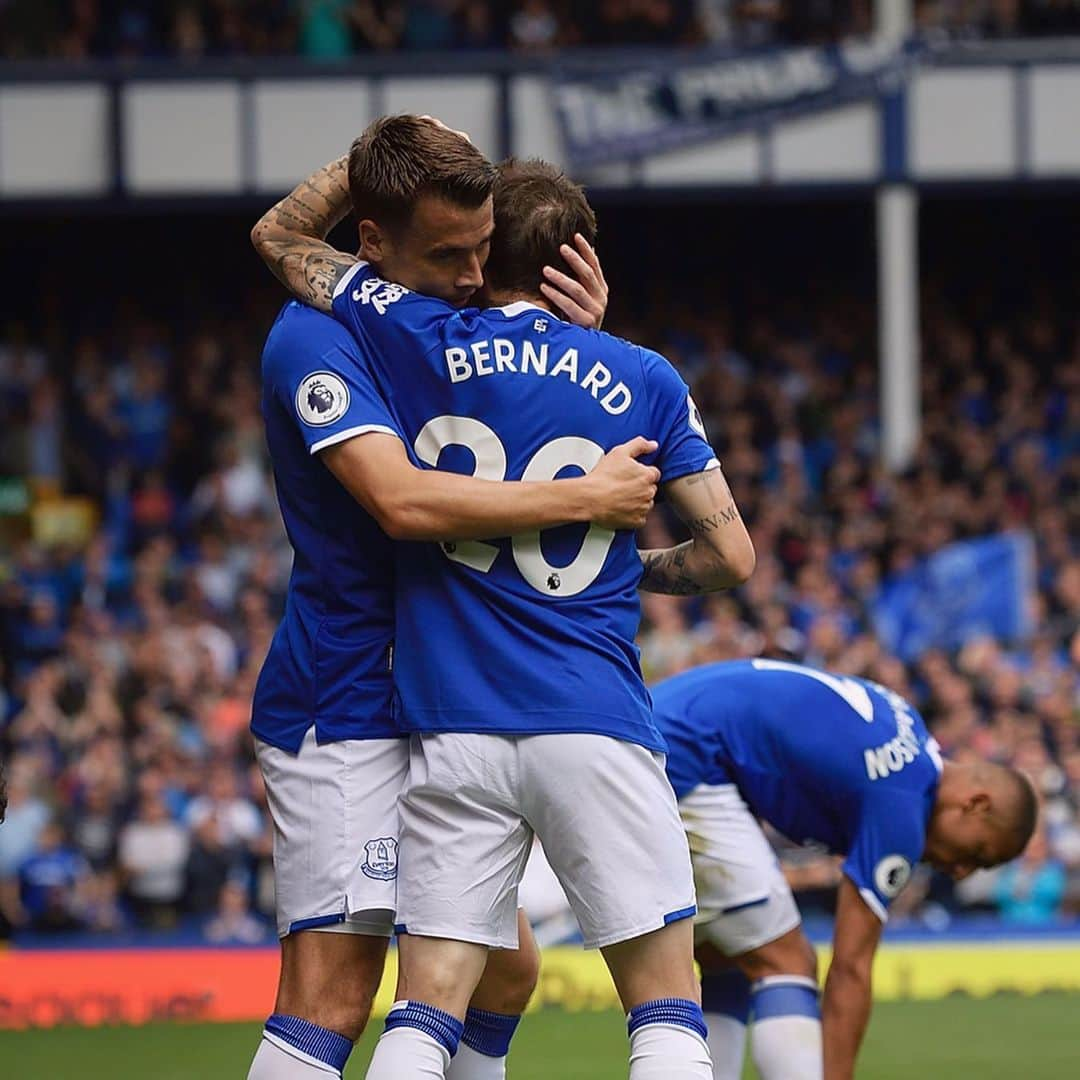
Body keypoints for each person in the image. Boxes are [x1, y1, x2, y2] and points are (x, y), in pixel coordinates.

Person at [256, 120, 756, 1079]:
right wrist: (590, 500)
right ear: (371, 235)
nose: (467, 275)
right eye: (447, 254)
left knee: (494, 975)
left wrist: (575, 349)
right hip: (358, 699)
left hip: (449, 717)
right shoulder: (316, 336)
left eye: (483, 252)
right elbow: (403, 502)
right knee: (336, 994)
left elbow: (287, 242)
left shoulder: (419, 336)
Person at [650, 658, 1038, 1080]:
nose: (961, 871)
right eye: (977, 854)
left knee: (730, 955)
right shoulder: (902, 807)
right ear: (975, 804)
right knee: (787, 962)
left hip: (655, 726)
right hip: (687, 756)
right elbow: (851, 969)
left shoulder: (909, 729)